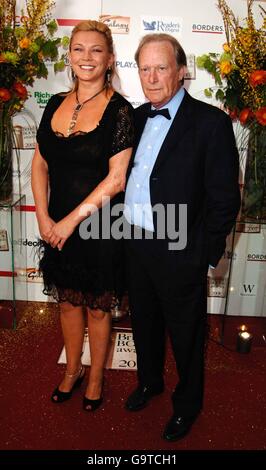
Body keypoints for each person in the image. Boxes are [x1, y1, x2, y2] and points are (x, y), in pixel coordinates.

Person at [124, 33, 240, 441]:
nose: (152, 78)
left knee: (187, 335)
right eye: (144, 68)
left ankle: (188, 404)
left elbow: (225, 200)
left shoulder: (211, 122)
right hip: (135, 245)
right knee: (144, 324)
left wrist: (202, 255)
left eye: (161, 67)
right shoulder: (134, 118)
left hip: (180, 249)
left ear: (181, 71)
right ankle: (150, 381)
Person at [31, 20, 134, 411]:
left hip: (100, 226)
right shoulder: (54, 103)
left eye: (96, 50)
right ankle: (72, 369)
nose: (86, 57)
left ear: (109, 59)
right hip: (55, 224)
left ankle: (96, 376)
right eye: (78, 48)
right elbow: (39, 164)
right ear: (69, 55)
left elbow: (117, 179)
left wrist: (68, 223)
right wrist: (43, 217)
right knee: (67, 302)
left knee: (95, 305)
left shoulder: (120, 110)